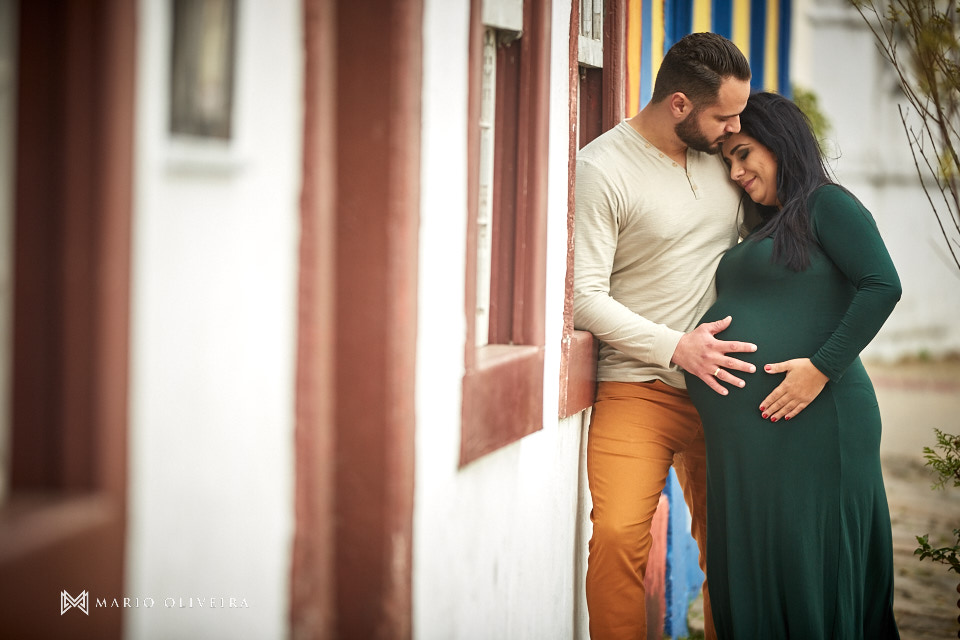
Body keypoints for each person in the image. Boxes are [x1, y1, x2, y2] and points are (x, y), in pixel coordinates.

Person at [684, 91, 902, 638]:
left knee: (809, 567)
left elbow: (882, 285)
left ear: (779, 143)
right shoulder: (764, 224)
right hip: (754, 446)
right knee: (757, 569)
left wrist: (821, 369)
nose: (735, 172)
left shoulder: (826, 204)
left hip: (817, 421)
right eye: (727, 160)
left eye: (744, 153)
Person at [574, 32, 755, 639]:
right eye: (724, 115)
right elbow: (582, 297)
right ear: (679, 104)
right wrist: (675, 346)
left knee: (734, 548)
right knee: (620, 539)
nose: (735, 126)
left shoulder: (726, 159)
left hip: (725, 388)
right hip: (639, 386)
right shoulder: (602, 168)